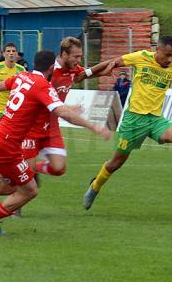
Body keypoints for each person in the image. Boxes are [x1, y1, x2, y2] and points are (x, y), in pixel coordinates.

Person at [0, 50, 111, 234]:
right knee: (30, 190)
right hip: (7, 146)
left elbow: (0, 85)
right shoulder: (42, 85)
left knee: (10, 186)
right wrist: (94, 127)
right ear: (50, 68)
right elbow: (62, 113)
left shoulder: (22, 76)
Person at [82, 35, 172, 210]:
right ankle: (95, 187)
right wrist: (86, 73)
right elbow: (113, 62)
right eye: (167, 55)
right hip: (133, 121)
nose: (170, 59)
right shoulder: (141, 57)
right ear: (157, 50)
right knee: (115, 163)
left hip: (155, 121)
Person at [22, 37, 113, 179]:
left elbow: (84, 74)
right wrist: (68, 108)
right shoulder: (50, 72)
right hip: (33, 125)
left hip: (51, 125)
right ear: (64, 55)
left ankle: (31, 168)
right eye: (76, 56)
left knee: (59, 168)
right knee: (26, 184)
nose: (79, 60)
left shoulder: (73, 69)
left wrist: (104, 71)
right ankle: (15, 168)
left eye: (80, 56)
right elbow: (39, 99)